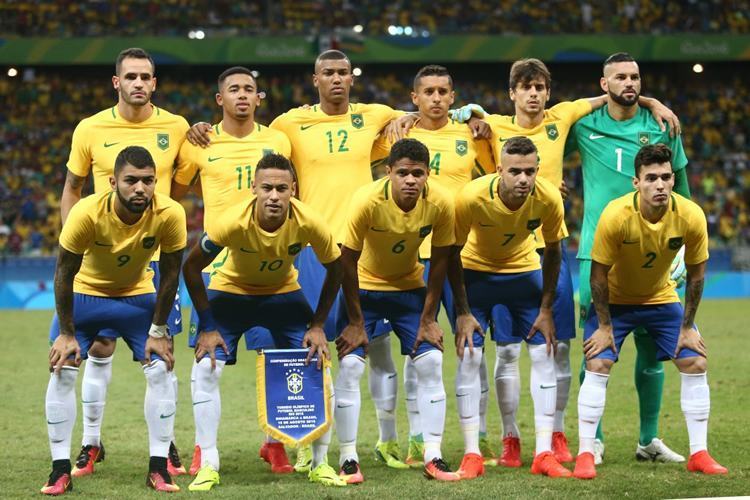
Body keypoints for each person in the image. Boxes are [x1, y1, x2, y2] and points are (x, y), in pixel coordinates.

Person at [186, 49, 407, 472]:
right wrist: (197, 127)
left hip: (327, 249)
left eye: (344, 72)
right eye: (328, 72)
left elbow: (419, 113)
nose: (337, 79)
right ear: (315, 78)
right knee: (240, 356)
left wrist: (465, 110)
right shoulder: (257, 131)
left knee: (317, 352)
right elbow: (177, 177)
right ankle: (233, 445)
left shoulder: (291, 133)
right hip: (243, 259)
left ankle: (306, 442)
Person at [451, 58, 679, 466]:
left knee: (557, 348)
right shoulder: (493, 125)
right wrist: (466, 114)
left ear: (548, 91)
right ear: (512, 93)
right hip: (501, 255)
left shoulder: (565, 115)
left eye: (540, 86)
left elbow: (615, 93)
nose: (534, 93)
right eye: (526, 87)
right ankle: (509, 437)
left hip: (548, 249)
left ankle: (556, 435)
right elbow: (456, 127)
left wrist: (653, 100)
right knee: (505, 352)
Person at [59, 47, 189, 477]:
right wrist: (76, 243)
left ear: (155, 83)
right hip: (100, 260)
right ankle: (91, 444)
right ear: (117, 82)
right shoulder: (90, 127)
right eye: (130, 76)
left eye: (146, 77)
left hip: (153, 259)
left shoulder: (178, 127)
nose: (138, 83)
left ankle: (165, 446)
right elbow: (73, 188)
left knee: (162, 356)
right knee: (98, 348)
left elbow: (182, 187)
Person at [182, 154, 345, 489]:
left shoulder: (310, 221)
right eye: (267, 187)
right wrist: (209, 327)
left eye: (281, 188)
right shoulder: (231, 222)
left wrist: (317, 325)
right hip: (231, 293)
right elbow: (190, 267)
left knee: (319, 364)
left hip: (283, 294)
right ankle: (208, 463)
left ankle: (319, 462)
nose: (274, 195)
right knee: (206, 368)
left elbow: (338, 268)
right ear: (254, 188)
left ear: (293, 191)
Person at [565, 52, 691, 464]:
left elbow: (683, 190)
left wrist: (684, 247)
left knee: (652, 348)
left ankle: (648, 440)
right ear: (604, 85)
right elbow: (541, 141)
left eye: (635, 76)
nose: (629, 83)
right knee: (595, 344)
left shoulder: (662, 125)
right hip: (597, 254)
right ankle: (594, 440)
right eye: (619, 77)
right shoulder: (583, 124)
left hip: (657, 251)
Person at [370, 64, 497, 468]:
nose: (437, 98)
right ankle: (417, 437)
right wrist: (394, 118)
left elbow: (500, 174)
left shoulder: (471, 133)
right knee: (418, 352)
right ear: (415, 97)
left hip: (461, 254)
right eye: (429, 92)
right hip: (411, 255)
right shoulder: (399, 134)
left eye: (444, 91)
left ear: (454, 97)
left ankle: (479, 438)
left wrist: (479, 116)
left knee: (471, 348)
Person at [573, 144, 726, 479]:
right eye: (651, 178)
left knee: (694, 360)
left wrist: (687, 328)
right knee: (597, 361)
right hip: (615, 301)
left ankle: (699, 453)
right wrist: (603, 325)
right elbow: (598, 275)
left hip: (660, 298)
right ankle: (586, 453)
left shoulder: (690, 215)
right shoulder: (615, 215)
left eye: (666, 177)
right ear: (636, 182)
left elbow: (698, 274)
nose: (660, 184)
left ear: (673, 180)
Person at [42, 146, 186, 495]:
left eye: (148, 181)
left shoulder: (170, 213)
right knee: (63, 366)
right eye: (131, 181)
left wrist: (158, 330)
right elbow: (63, 273)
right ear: (113, 182)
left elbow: (170, 275)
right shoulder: (86, 213)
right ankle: (59, 469)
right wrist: (66, 332)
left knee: (162, 368)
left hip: (137, 297)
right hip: (85, 295)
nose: (140, 188)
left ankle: (158, 468)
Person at [171, 66, 293, 475]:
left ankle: (275, 443)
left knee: (276, 357)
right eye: (234, 89)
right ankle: (204, 451)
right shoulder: (199, 143)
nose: (242, 94)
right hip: (214, 270)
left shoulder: (277, 141)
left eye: (250, 89)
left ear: (260, 99)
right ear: (219, 99)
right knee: (209, 361)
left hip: (268, 266)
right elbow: (176, 194)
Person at [335, 138, 459, 483]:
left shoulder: (441, 202)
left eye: (417, 173)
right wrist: (357, 322)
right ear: (388, 172)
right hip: (364, 287)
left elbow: (441, 260)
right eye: (402, 172)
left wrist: (430, 318)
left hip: (408, 288)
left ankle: (433, 455)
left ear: (427, 175)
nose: (410, 180)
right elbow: (346, 261)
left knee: (432, 361)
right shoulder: (366, 201)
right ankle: (348, 458)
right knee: (348, 367)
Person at [448, 136, 571, 479]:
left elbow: (555, 253)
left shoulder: (547, 198)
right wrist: (462, 312)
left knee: (545, 353)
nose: (523, 179)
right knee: (471, 355)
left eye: (530, 171)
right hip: (476, 273)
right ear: (499, 169)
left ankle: (544, 453)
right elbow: (452, 253)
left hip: (523, 272)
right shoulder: (471, 197)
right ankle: (472, 454)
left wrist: (546, 310)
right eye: (515, 171)